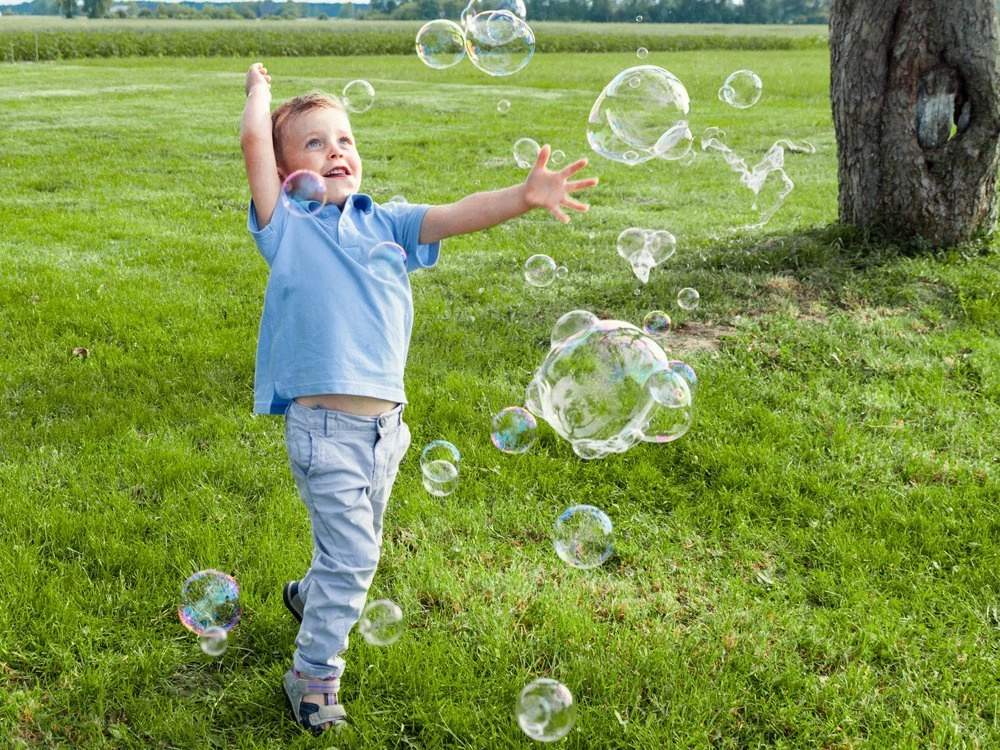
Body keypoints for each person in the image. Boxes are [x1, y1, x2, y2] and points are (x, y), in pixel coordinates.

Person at [240, 61, 598, 734]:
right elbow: (255, 143)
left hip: (387, 434)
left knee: (353, 545)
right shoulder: (287, 227)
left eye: (344, 139)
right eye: (314, 143)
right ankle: (313, 675)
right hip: (324, 432)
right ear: (286, 171)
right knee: (356, 557)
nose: (335, 151)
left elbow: (458, 215)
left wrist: (524, 196)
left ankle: (311, 596)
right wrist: (259, 93)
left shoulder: (388, 223)